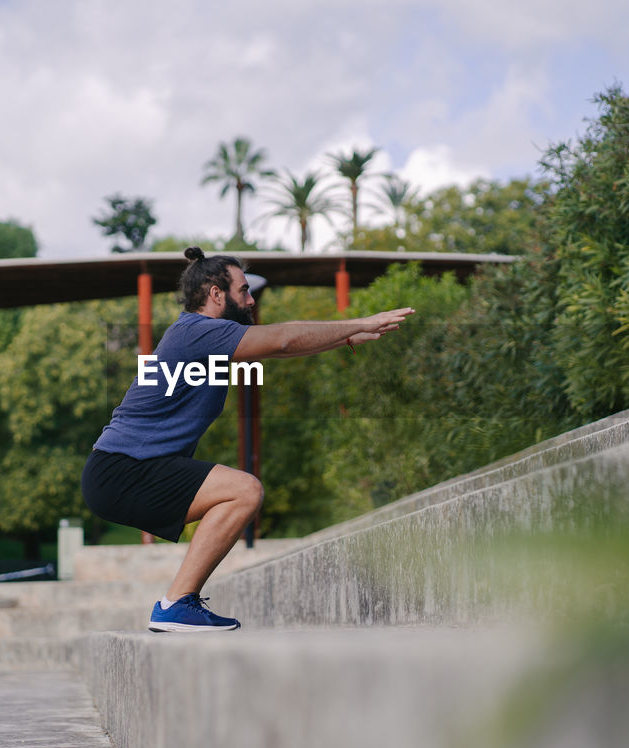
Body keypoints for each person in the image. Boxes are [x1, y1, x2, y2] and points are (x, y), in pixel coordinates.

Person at [81, 246, 415, 632]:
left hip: (120, 472)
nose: (251, 299)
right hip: (123, 470)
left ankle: (177, 603)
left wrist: (348, 336)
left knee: (239, 491)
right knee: (243, 490)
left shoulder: (203, 338)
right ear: (215, 294)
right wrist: (359, 321)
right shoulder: (196, 333)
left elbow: (279, 350)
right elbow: (282, 340)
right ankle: (175, 604)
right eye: (243, 290)